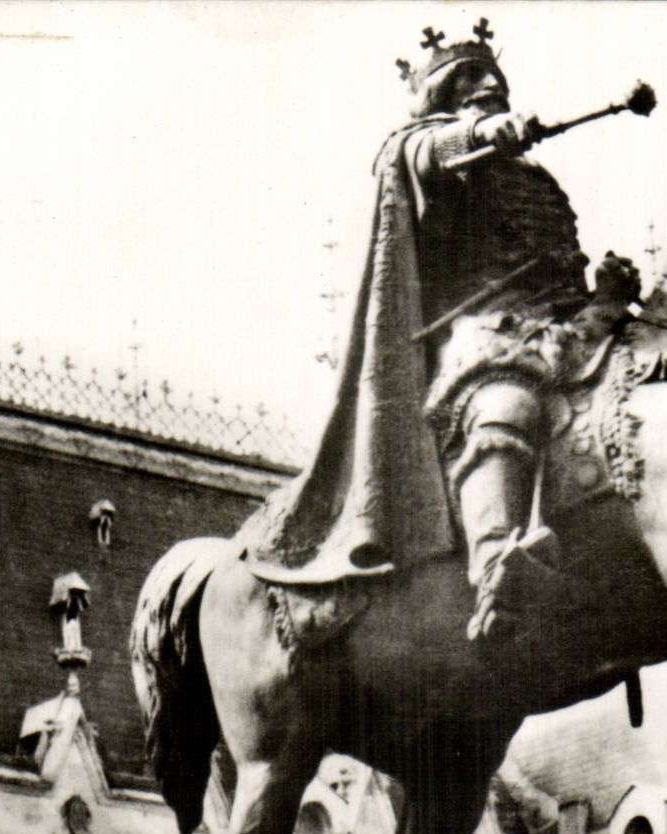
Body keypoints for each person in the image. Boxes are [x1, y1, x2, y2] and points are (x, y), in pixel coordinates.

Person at [249, 19, 637, 650]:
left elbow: (556, 268)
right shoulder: (417, 147)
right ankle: (495, 567)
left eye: (494, 81)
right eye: (469, 80)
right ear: (442, 96)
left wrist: (606, 297)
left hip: (557, 328)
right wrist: (483, 133)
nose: (489, 86)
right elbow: (431, 153)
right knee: (504, 405)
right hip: (484, 337)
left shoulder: (534, 181)